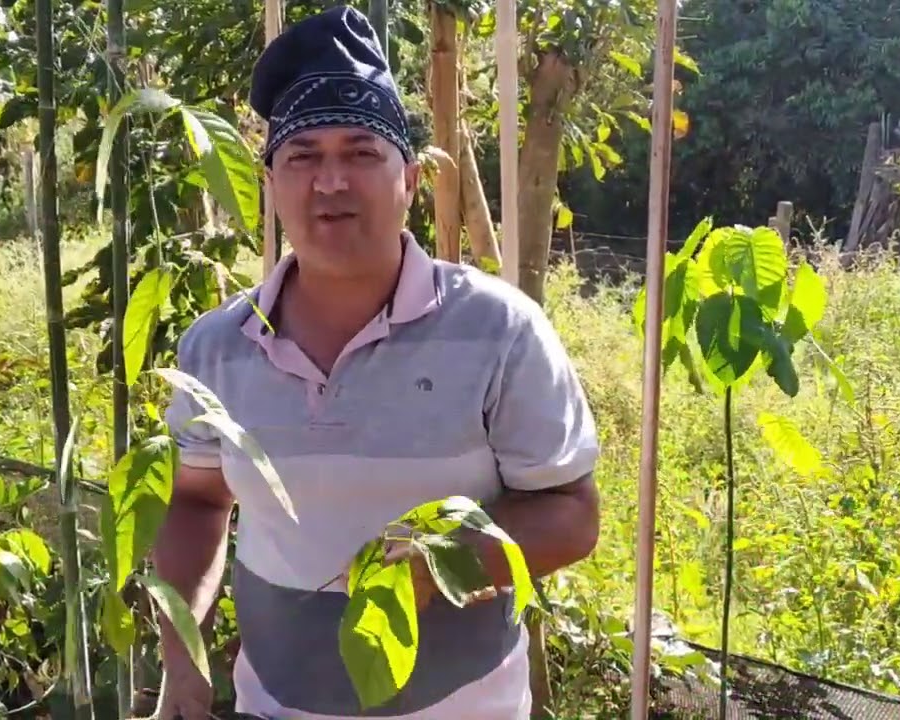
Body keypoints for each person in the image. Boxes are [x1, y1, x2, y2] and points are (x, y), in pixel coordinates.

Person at [151, 6, 601, 719]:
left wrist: (443, 559)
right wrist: (183, 654)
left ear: (411, 179)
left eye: (361, 151)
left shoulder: (498, 330)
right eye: (303, 156)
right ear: (271, 182)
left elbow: (572, 514)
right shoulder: (217, 347)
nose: (331, 182)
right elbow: (198, 500)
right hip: (274, 704)